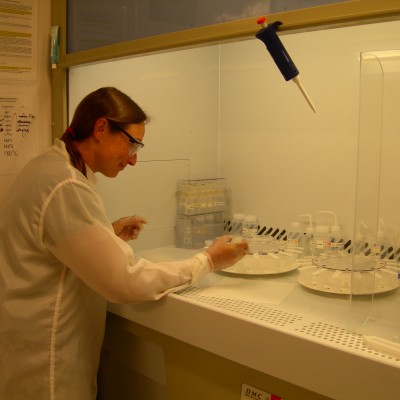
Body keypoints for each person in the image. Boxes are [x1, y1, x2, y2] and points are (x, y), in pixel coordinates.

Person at [0, 87, 248, 400]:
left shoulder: (47, 169)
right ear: (101, 128)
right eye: (132, 144)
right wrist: (208, 260)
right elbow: (124, 282)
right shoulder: (65, 185)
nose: (133, 160)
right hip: (48, 367)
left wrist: (107, 235)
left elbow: (52, 249)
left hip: (25, 354)